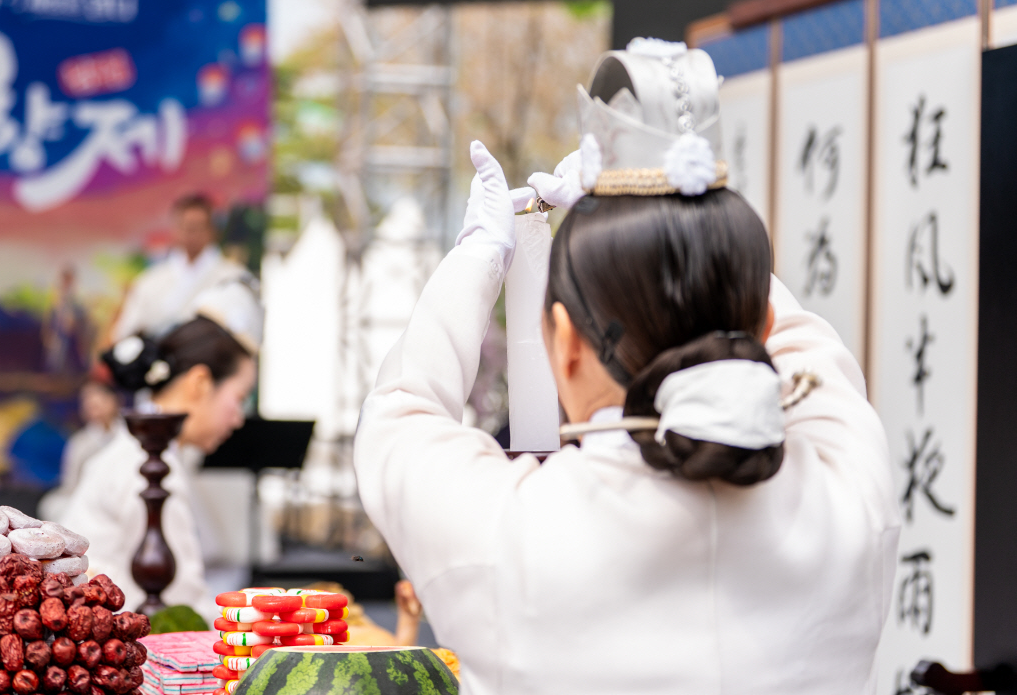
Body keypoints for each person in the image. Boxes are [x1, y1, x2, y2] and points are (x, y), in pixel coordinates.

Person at [354, 40, 900, 694]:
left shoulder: (512, 529)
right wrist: (680, 221)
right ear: (760, 326)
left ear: (567, 345)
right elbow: (810, 351)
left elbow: (400, 412)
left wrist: (478, 256)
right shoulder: (849, 488)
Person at [60, 297, 257, 616]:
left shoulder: (136, 451)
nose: (238, 418)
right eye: (238, 398)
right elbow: (180, 603)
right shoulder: (149, 464)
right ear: (200, 383)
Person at [109, 193, 260, 343]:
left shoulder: (235, 277)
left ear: (213, 231)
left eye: (198, 227)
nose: (191, 233)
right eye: (185, 226)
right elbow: (125, 334)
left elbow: (248, 334)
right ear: (174, 229)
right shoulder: (150, 281)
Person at [37, 380, 123, 523]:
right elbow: (70, 485)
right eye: (86, 399)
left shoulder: (130, 437)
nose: (91, 402)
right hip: (89, 500)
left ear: (115, 400)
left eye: (98, 396)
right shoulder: (80, 443)